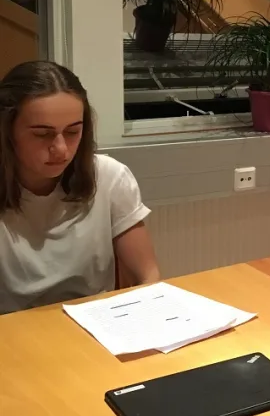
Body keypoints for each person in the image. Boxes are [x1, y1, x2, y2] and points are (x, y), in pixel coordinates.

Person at [0, 61, 160, 314]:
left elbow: (148, 276)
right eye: (42, 134)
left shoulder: (109, 177)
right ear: (7, 131)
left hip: (97, 322)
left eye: (73, 132)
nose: (61, 149)